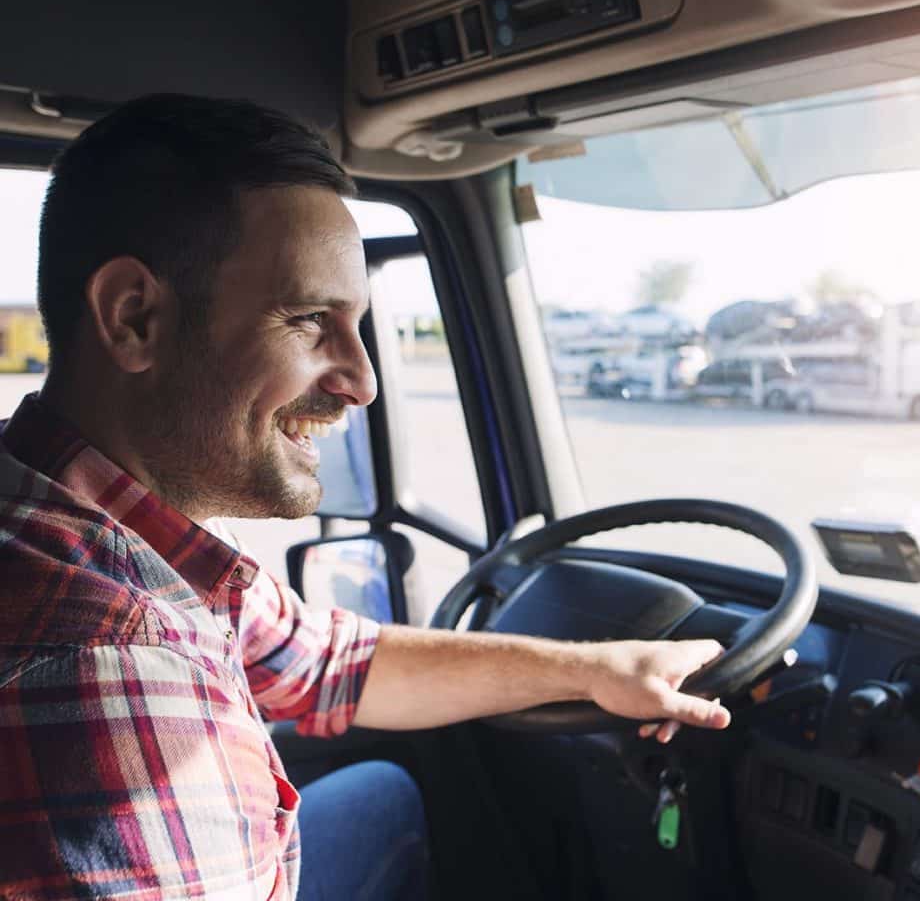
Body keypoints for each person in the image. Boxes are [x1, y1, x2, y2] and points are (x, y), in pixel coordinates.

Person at [0, 95, 731, 900]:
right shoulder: (110, 670)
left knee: (384, 794)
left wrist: (601, 668)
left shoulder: (91, 517)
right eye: (312, 320)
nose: (363, 382)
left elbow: (326, 663)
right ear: (134, 317)